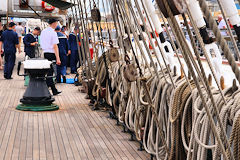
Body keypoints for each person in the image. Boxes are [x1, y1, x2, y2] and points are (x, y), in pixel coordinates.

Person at [40, 19, 61, 95]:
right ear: (54, 23)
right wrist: (58, 58)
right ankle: (46, 89)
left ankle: (52, 89)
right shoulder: (53, 33)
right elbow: (55, 46)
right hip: (52, 53)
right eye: (56, 23)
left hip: (45, 53)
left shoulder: (43, 32)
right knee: (50, 73)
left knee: (48, 72)